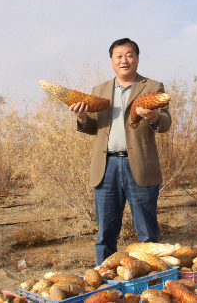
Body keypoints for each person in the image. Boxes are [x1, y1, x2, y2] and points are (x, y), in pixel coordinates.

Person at [69, 38, 172, 266]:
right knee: (106, 233)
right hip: (107, 167)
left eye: (129, 55)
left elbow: (165, 123)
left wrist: (154, 117)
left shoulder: (153, 87)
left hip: (140, 166)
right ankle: (105, 277)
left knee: (147, 232)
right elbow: (93, 128)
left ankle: (151, 280)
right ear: (112, 61)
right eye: (119, 56)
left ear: (136, 58)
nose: (124, 60)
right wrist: (82, 118)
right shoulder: (99, 90)